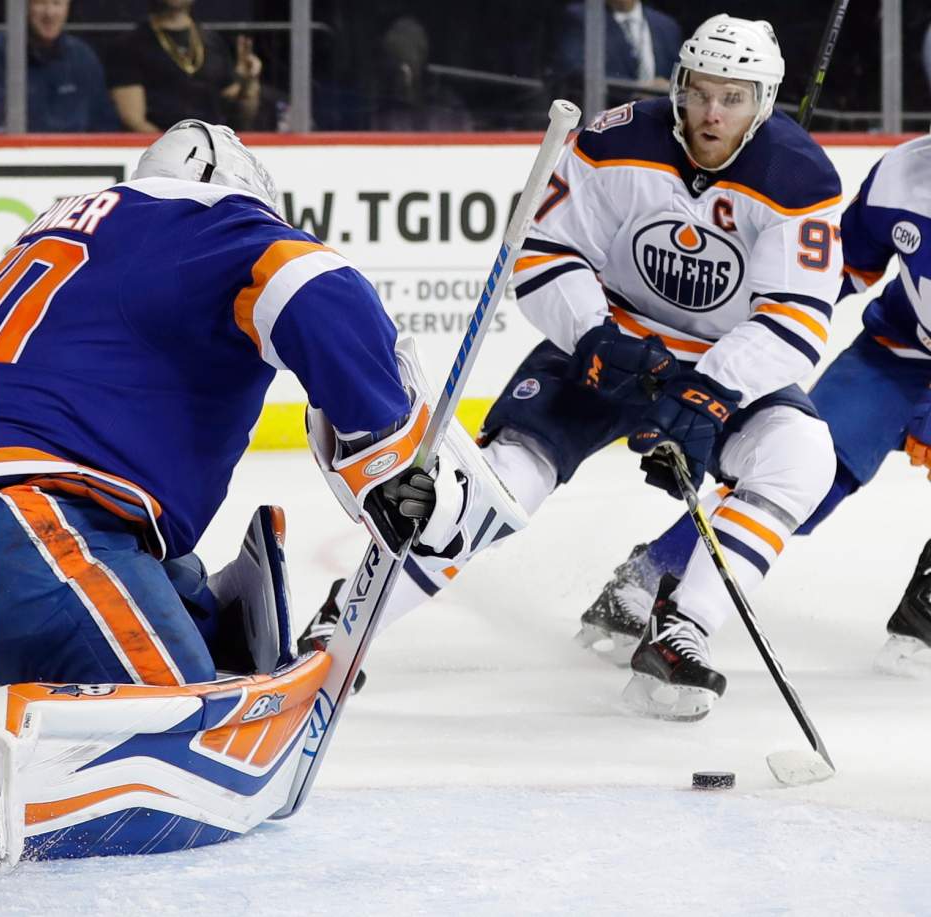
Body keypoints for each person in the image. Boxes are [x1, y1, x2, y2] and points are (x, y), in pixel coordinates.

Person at [0, 120, 487, 858]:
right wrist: (383, 451)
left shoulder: (85, 227)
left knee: (158, 580)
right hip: (16, 513)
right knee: (186, 716)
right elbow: (311, 280)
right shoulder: (211, 221)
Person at [305, 15, 844, 724]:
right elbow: (544, 249)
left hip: (716, 364)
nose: (714, 113)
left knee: (802, 456)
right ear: (678, 85)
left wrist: (712, 391)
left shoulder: (799, 177)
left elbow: (797, 313)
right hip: (603, 345)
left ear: (764, 101)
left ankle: (682, 626)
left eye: (735, 97)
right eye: (702, 92)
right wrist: (592, 334)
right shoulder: (615, 139)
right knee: (506, 481)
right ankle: (346, 623)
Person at [578, 133, 931, 677]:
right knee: (807, 474)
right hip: (892, 357)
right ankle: (652, 575)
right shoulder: (903, 172)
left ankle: (924, 615)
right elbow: (844, 267)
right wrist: (765, 294)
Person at [108, 0, 263, 132]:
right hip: (161, 154)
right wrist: (174, 149)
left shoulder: (212, 41)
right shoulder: (130, 45)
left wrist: (248, 81)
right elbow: (133, 119)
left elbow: (243, 114)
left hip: (211, 150)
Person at [0, 0, 119, 133]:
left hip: (78, 159)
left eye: (57, 3)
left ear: (68, 6)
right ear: (25, 6)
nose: (49, 13)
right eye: (40, 2)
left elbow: (104, 123)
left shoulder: (83, 57)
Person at [555, 0, 682, 101]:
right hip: (607, 117)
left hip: (658, 120)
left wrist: (670, 88)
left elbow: (682, 77)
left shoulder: (666, 26)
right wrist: (639, 89)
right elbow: (575, 70)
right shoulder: (583, 17)